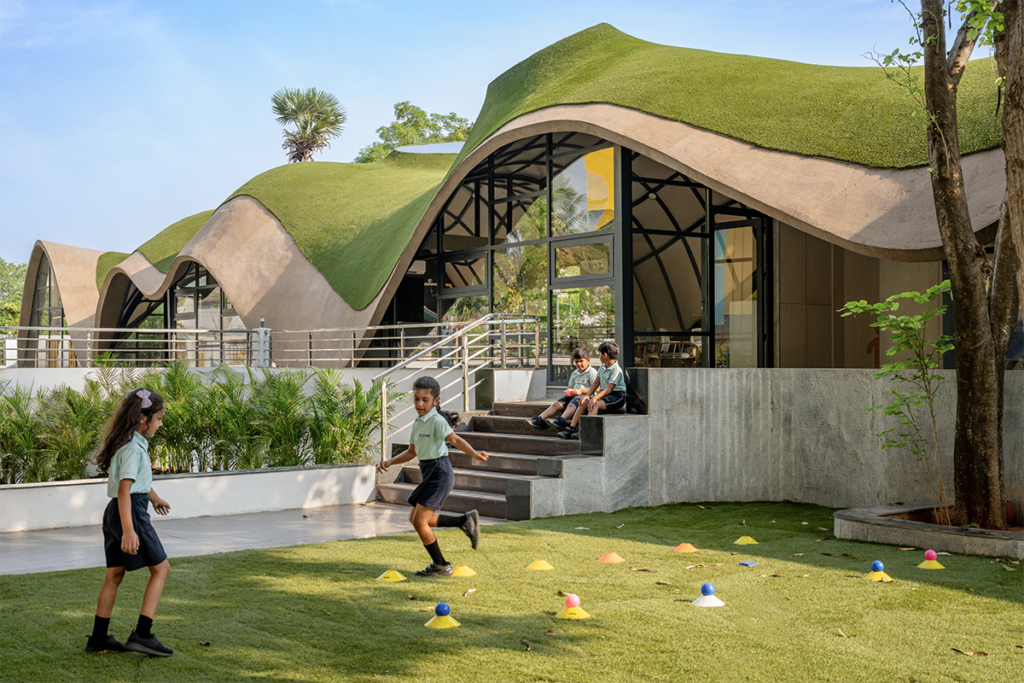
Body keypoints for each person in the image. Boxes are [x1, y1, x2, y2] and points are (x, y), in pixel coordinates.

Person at [85, 388, 174, 657]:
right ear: (142, 418)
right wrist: (129, 531)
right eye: (158, 419)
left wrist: (154, 498)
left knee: (114, 575)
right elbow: (125, 490)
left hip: (114, 512)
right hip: (129, 513)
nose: (160, 424)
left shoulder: (129, 443)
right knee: (161, 570)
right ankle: (143, 635)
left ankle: (99, 638)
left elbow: (135, 482)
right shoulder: (134, 449)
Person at [377, 376, 489, 577]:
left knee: (420, 522)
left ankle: (441, 565)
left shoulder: (437, 421)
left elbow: (455, 439)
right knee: (415, 519)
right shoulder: (418, 423)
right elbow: (411, 452)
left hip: (440, 472)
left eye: (425, 400)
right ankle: (464, 520)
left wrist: (474, 454)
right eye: (416, 399)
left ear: (436, 401)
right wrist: (390, 462)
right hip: (429, 472)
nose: (420, 404)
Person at [558, 341, 627, 440]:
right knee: (584, 401)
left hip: (617, 396)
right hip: (606, 394)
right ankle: (571, 428)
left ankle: (586, 432)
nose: (599, 357)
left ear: (605, 355)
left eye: (599, 354)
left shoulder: (616, 370)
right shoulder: (602, 367)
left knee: (595, 403)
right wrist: (587, 395)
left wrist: (594, 398)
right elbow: (595, 383)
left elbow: (609, 389)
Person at [527, 347, 598, 431]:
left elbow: (597, 388)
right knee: (556, 404)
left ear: (588, 360)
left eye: (581, 361)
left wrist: (580, 391)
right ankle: (539, 419)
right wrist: (569, 391)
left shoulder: (592, 372)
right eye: (576, 362)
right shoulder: (575, 373)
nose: (579, 364)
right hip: (573, 395)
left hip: (585, 396)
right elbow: (571, 386)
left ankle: (561, 420)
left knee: (571, 404)